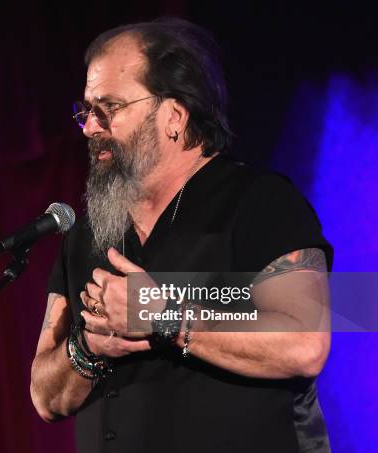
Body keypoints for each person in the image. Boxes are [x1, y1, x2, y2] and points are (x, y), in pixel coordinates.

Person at [30, 17, 333, 453]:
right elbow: (44, 397)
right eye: (86, 111)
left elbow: (305, 344)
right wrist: (87, 347)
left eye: (107, 109)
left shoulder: (261, 203)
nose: (90, 127)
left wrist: (163, 317)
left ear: (173, 116)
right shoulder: (87, 234)